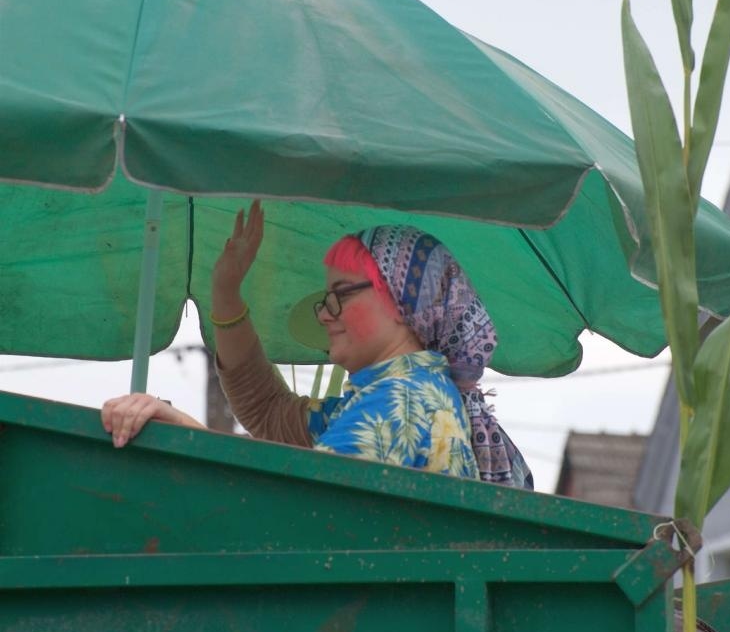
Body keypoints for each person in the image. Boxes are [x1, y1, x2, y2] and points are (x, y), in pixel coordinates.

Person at [102, 201, 534, 488]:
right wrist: (227, 295)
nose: (325, 314)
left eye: (341, 294)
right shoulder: (411, 394)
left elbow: (286, 500)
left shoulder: (397, 408)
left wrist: (176, 424)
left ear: (403, 304)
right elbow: (269, 414)